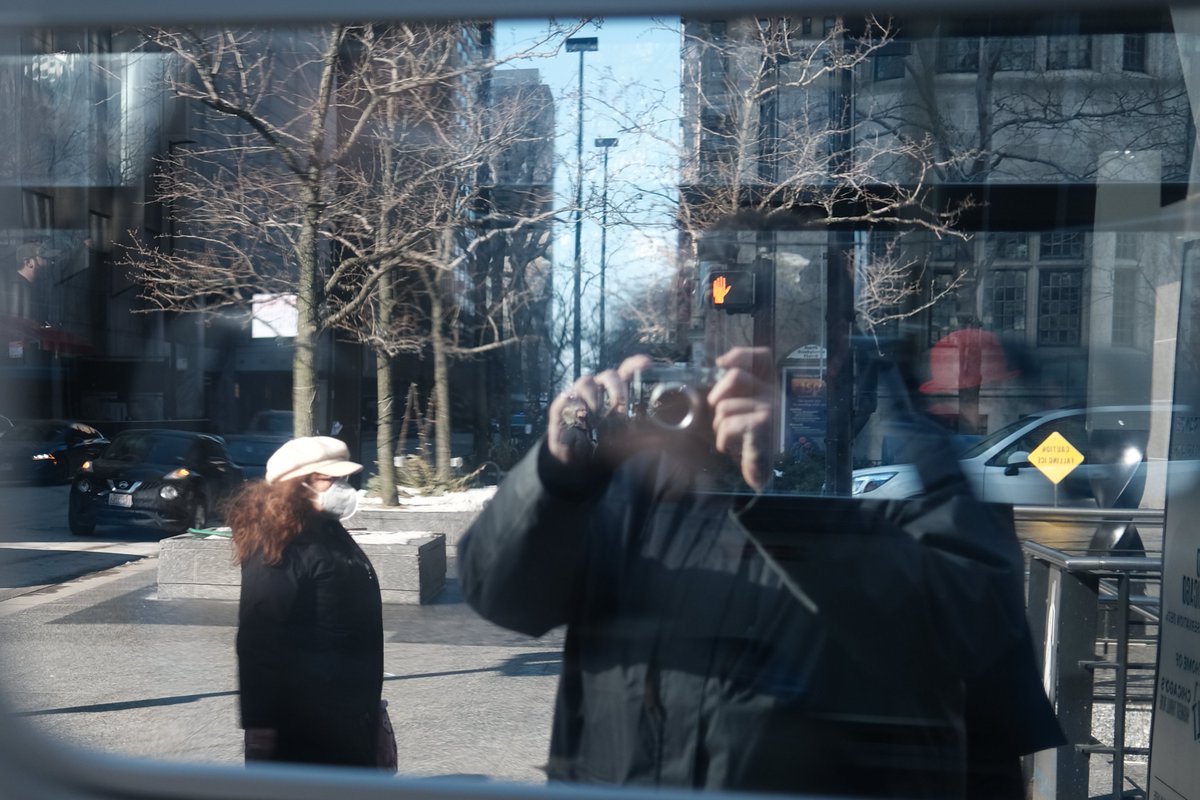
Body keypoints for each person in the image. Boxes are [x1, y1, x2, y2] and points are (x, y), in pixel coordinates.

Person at [459, 346, 1058, 798]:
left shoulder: (903, 451)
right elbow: (500, 595)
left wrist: (776, 490)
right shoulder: (635, 478)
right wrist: (559, 474)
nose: (722, 375)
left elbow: (964, 632)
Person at [226, 436, 384, 768]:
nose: (343, 486)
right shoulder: (279, 546)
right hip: (305, 726)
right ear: (298, 485)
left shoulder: (328, 529)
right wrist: (261, 725)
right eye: (332, 479)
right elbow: (258, 639)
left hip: (351, 714)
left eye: (344, 478)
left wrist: (374, 712)